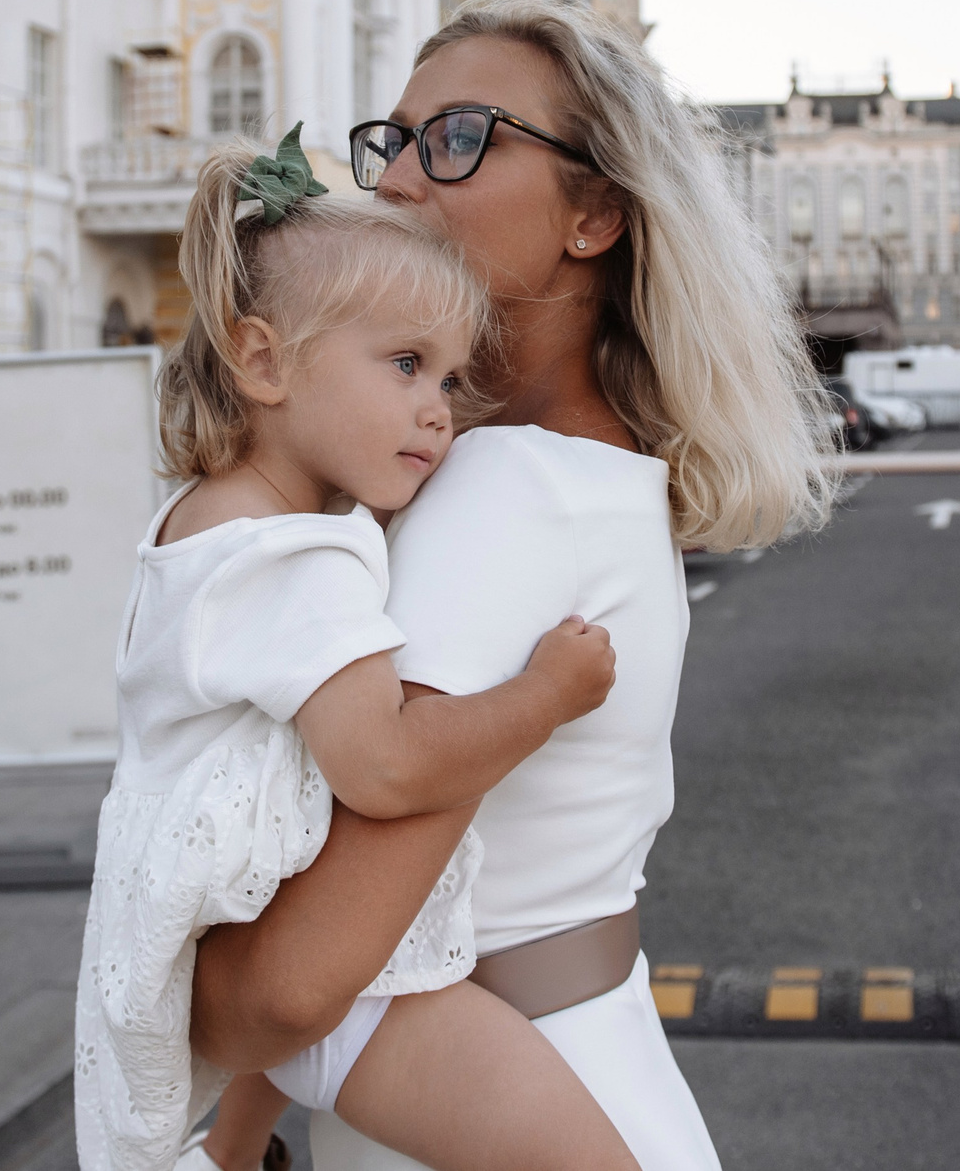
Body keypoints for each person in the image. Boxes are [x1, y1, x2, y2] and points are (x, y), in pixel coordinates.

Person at [189, 0, 837, 1171]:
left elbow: (285, 990)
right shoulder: (581, 467)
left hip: (494, 1108)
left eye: (460, 137)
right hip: (563, 1067)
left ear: (594, 213)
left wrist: (156, 969)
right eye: (390, 141)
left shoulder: (507, 489)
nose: (391, 182)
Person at [73, 129, 640, 1171]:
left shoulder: (214, 520)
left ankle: (231, 1153)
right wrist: (546, 694)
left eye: (454, 377)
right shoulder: (290, 559)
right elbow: (383, 766)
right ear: (263, 358)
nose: (438, 408)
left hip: (237, 935)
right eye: (407, 363)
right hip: (361, 1002)